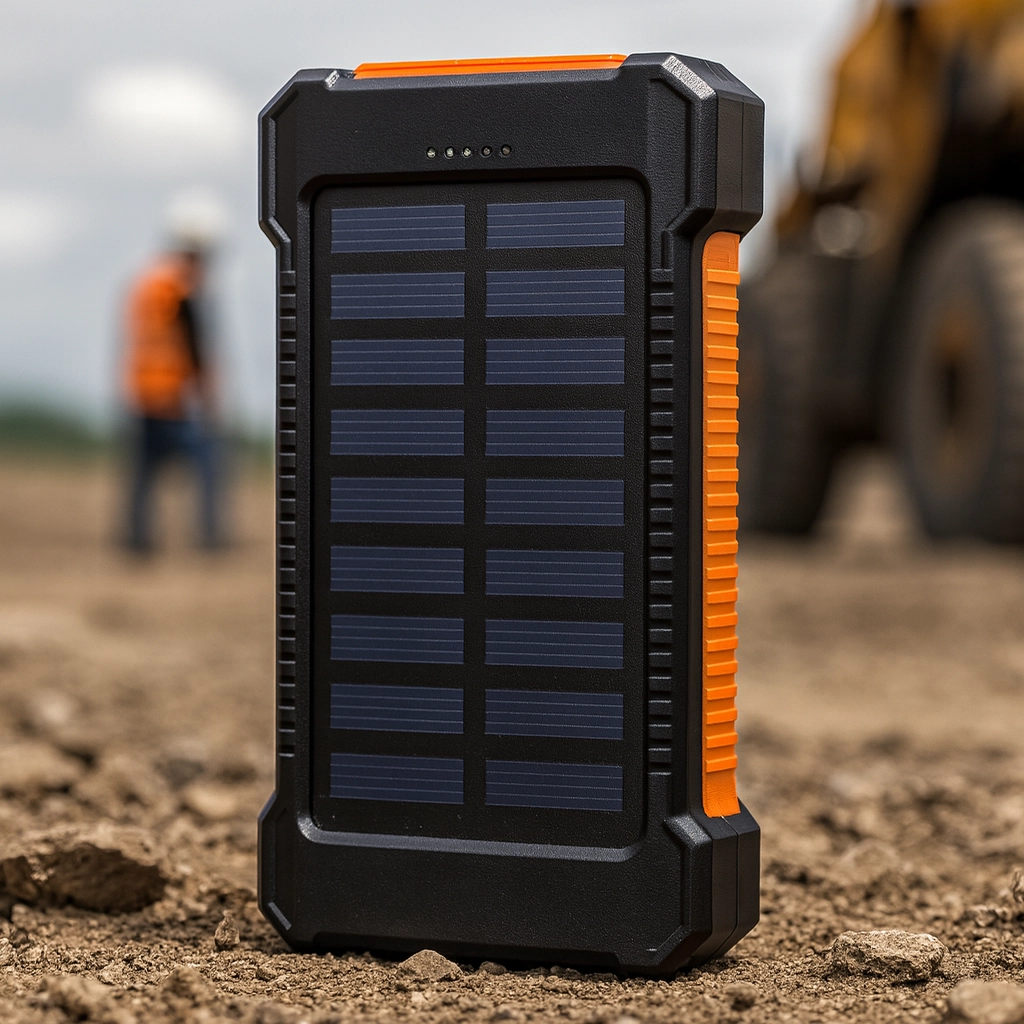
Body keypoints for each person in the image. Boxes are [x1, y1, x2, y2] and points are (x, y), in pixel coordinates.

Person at [121, 235, 223, 551]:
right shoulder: (181, 290)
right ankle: (210, 537)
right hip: (171, 397)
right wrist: (207, 393)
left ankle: (137, 540)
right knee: (208, 461)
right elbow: (193, 346)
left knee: (143, 471)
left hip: (141, 392)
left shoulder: (145, 285)